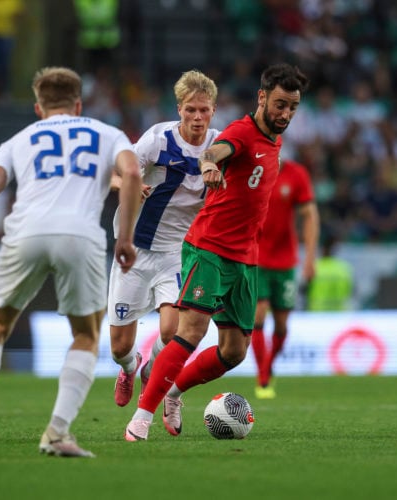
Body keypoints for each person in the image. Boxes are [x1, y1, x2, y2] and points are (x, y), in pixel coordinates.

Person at [0, 66, 142, 458]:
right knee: (85, 334)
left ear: (38, 107)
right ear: (79, 103)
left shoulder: (20, 139)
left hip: (26, 233)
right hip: (80, 236)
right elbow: (132, 172)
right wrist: (125, 238)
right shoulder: (107, 133)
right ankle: (56, 433)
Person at [124, 63, 309, 441]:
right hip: (208, 248)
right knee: (191, 330)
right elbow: (215, 150)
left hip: (245, 257)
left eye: (292, 107)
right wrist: (208, 165)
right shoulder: (241, 131)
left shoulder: (275, 140)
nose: (285, 114)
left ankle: (173, 394)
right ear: (261, 97)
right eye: (279, 105)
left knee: (234, 351)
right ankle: (141, 417)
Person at [108, 69, 220, 407]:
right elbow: (114, 174)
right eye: (190, 110)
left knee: (173, 330)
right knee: (118, 348)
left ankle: (152, 370)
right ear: (179, 109)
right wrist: (129, 184)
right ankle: (130, 368)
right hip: (136, 248)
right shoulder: (157, 139)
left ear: (213, 110)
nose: (197, 117)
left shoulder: (220, 146)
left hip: (178, 251)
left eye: (204, 110)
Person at [252, 156, 319, 399]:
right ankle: (263, 376)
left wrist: (310, 258)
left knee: (281, 323)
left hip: (285, 261)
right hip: (255, 257)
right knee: (258, 314)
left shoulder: (296, 174)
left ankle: (268, 366)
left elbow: (309, 214)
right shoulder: (254, 171)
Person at [305, 235, 353, 311]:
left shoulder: (313, 266)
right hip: (340, 313)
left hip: (316, 314)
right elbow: (352, 291)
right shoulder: (344, 268)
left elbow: (303, 290)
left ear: (322, 250)